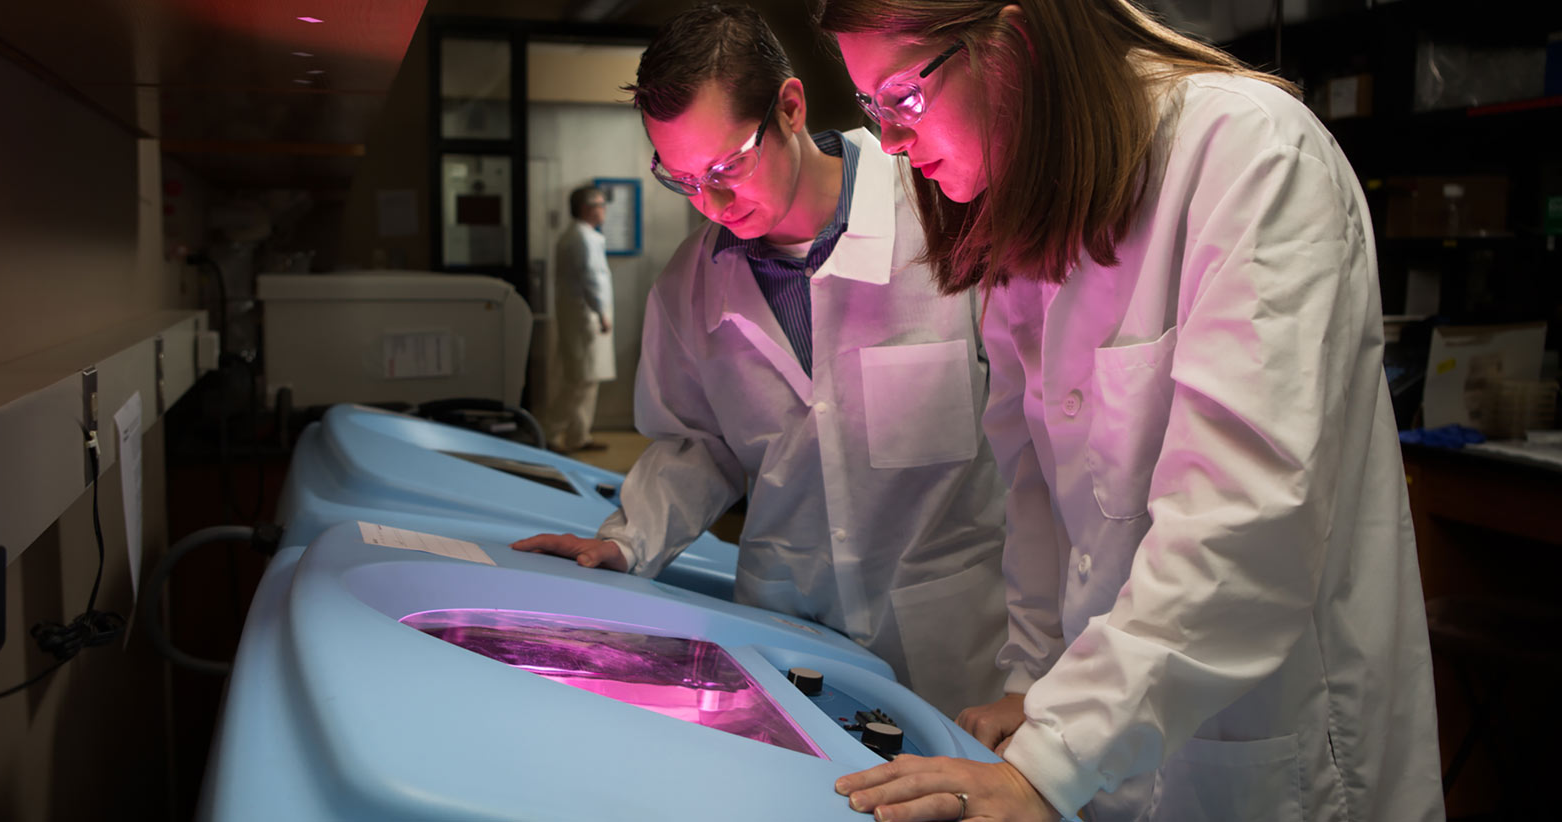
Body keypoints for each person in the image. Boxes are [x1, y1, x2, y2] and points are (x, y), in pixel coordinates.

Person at [817, 1, 1444, 820]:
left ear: (1015, 40)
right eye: (873, 109)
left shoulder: (1250, 152)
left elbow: (1240, 525)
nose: (891, 143)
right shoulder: (1030, 202)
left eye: (902, 96)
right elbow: (1038, 490)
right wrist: (1036, 688)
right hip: (1108, 742)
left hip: (1268, 750)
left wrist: (1052, 758)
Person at [513, 3, 1009, 717]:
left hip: (954, 637)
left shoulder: (940, 212)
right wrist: (628, 543)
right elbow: (698, 443)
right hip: (787, 625)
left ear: (790, 107)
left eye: (727, 166)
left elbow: (1036, 433)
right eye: (680, 178)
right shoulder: (691, 285)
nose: (710, 203)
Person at [548, 185, 616, 453]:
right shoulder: (581, 238)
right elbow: (592, 278)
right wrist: (601, 313)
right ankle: (550, 433)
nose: (604, 210)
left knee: (587, 379)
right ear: (587, 208)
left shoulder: (583, 235)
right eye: (600, 204)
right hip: (584, 317)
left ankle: (579, 435)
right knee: (579, 380)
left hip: (583, 316)